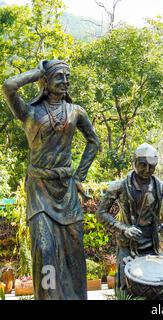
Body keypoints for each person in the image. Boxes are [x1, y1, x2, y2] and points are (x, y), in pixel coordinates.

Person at [2, 60, 100, 300]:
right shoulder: (29, 112)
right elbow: (8, 86)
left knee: (74, 249)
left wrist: (80, 176)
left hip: (66, 190)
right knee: (44, 249)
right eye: (59, 77)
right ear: (45, 82)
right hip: (39, 189)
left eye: (68, 77)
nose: (65, 82)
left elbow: (93, 141)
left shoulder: (76, 111)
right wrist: (38, 72)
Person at [96, 143, 163, 293]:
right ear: (134, 163)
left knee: (160, 287)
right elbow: (101, 214)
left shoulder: (162, 186)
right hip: (128, 247)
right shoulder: (119, 187)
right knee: (126, 289)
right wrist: (124, 229)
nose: (147, 170)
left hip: (153, 246)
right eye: (143, 165)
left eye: (152, 166)